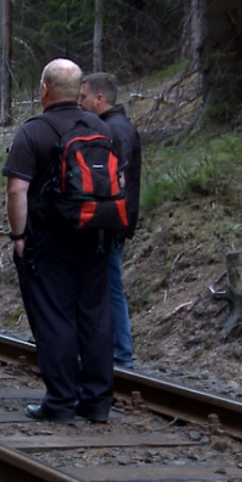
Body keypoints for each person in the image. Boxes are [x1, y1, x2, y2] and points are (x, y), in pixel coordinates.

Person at [2, 58, 116, 424]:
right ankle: (97, 401)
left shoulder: (33, 132)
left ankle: (61, 401)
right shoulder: (100, 127)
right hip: (95, 235)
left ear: (44, 89)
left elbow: (17, 189)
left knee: (55, 316)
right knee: (96, 315)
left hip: (49, 239)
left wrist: (18, 235)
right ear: (78, 90)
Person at [79, 72, 141, 369]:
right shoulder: (117, 127)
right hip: (114, 220)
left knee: (110, 285)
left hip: (110, 221)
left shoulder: (114, 132)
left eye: (84, 96)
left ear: (99, 98)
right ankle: (115, 352)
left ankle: (121, 354)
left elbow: (116, 182)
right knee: (106, 284)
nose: (81, 102)